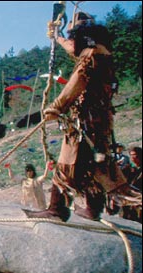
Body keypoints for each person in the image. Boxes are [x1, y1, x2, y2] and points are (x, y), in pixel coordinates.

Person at [25, 12, 141, 222]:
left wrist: (56, 107)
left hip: (86, 122)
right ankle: (93, 209)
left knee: (67, 164)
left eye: (72, 35)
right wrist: (57, 36)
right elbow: (72, 50)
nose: (70, 41)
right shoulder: (102, 53)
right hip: (100, 121)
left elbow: (77, 83)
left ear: (81, 35)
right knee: (95, 165)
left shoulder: (89, 56)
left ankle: (57, 209)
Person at [120, 146, 142, 222]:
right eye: (131, 155)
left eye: (135, 155)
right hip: (128, 199)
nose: (133, 157)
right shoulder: (129, 168)